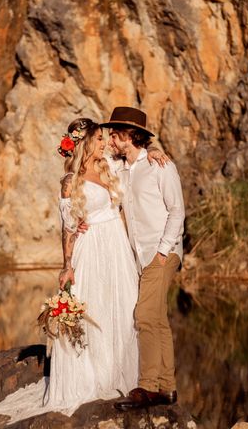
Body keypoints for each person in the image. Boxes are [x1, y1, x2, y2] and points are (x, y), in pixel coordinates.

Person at [0, 117, 163, 421]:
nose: (106, 143)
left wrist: (155, 152)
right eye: (98, 139)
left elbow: (136, 155)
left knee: (123, 309)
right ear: (85, 144)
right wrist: (67, 265)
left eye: (105, 139)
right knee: (94, 309)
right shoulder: (71, 181)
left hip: (118, 248)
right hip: (92, 249)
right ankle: (93, 377)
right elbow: (67, 227)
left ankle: (123, 376)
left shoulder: (109, 164)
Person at [100, 106, 186, 410]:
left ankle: (147, 387)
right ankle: (167, 388)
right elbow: (94, 161)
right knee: (157, 319)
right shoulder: (123, 168)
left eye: (115, 133)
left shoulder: (161, 167)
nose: (111, 138)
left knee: (145, 316)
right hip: (140, 257)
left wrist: (163, 251)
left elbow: (177, 210)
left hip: (161, 253)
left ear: (129, 136)